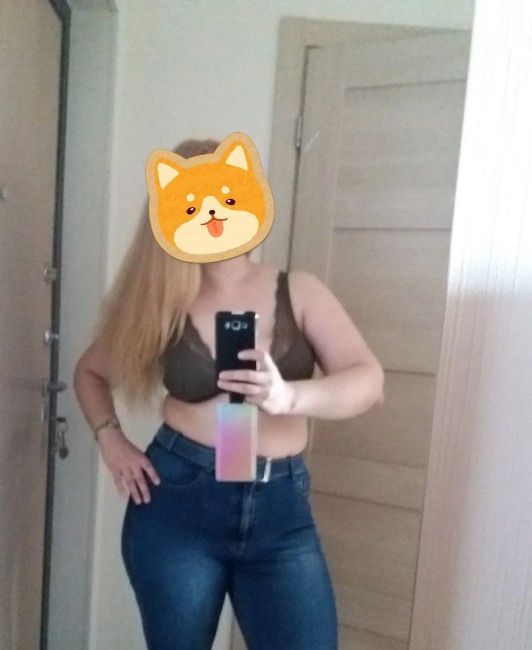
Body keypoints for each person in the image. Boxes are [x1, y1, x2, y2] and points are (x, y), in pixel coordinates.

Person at [73, 139, 384, 650]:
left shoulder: (298, 290)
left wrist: (290, 398)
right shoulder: (160, 302)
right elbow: (90, 372)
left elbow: (368, 382)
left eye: (226, 197)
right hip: (179, 502)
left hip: (280, 509)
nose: (214, 214)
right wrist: (111, 440)